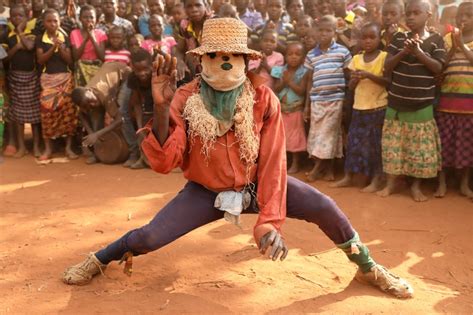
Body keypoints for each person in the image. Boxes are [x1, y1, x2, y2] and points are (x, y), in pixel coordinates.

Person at [62, 17, 413, 300]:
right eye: (214, 55)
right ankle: (99, 259)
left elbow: (274, 164)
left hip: (258, 184)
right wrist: (160, 104)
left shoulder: (262, 98)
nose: (224, 61)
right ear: (201, 60)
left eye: (233, 55)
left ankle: (368, 266)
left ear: (246, 60)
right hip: (205, 191)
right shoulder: (185, 97)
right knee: (148, 238)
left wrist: (269, 223)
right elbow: (164, 161)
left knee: (324, 206)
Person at [378, 0, 446, 202]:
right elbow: (387, 67)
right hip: (397, 104)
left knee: (418, 150)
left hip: (421, 104)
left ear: (429, 14)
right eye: (408, 13)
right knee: (393, 148)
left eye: (417, 13)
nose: (411, 17)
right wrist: (404, 52)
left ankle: (416, 186)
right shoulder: (399, 38)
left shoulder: (436, 40)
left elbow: (437, 68)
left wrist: (418, 52)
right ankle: (391, 184)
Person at [331, 22, 389, 192]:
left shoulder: (384, 57)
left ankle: (376, 179)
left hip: (378, 107)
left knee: (375, 146)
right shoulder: (356, 58)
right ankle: (349, 176)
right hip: (359, 107)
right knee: (354, 144)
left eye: (372, 37)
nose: (368, 41)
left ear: (380, 38)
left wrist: (369, 75)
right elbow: (350, 87)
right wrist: (355, 80)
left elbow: (388, 82)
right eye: (364, 37)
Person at [304, 15, 351, 182]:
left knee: (328, 133)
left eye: (328, 30)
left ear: (335, 32)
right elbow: (310, 80)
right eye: (321, 30)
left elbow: (348, 77)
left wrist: (346, 102)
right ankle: (328, 169)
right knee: (319, 135)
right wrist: (306, 106)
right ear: (316, 32)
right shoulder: (311, 55)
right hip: (317, 100)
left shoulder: (343, 52)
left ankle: (317, 170)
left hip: (336, 99)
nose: (324, 33)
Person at [435, 2, 473, 199]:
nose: (464, 19)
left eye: (469, 16)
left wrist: (463, 46)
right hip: (447, 101)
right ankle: (441, 182)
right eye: (461, 16)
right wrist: (454, 46)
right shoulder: (448, 38)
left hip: (470, 104)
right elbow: (441, 65)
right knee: (445, 144)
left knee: (466, 146)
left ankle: (464, 184)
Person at [36, 9, 78, 160]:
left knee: (68, 114)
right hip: (48, 81)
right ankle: (48, 149)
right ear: (44, 23)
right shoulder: (40, 39)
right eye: (49, 21)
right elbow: (40, 60)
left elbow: (70, 61)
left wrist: (60, 47)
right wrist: (53, 47)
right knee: (47, 114)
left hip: (66, 79)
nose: (53, 24)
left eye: (55, 21)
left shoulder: (65, 38)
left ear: (59, 22)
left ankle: (68, 148)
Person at [70, 61, 131, 164]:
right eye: (87, 105)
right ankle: (97, 153)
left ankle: (133, 152)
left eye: (90, 101)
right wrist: (91, 133)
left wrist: (97, 134)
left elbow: (120, 120)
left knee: (122, 109)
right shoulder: (85, 98)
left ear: (89, 90)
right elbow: (81, 114)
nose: (91, 105)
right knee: (95, 117)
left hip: (126, 77)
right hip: (108, 73)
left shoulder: (104, 93)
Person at [4, 4, 42, 158]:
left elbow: (29, 46)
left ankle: (36, 146)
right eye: (14, 16)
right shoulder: (8, 36)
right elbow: (5, 59)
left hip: (31, 77)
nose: (17, 18)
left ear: (27, 16)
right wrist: (16, 47)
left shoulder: (32, 33)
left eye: (20, 15)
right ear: (10, 18)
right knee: (18, 116)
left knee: (34, 116)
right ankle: (21, 147)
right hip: (15, 77)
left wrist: (20, 31)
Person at [273, 41, 308, 174]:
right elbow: (275, 88)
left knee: (295, 138)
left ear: (303, 57)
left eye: (297, 54)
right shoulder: (279, 70)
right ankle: (283, 162)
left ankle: (296, 163)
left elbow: (301, 91)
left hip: (296, 109)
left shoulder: (304, 72)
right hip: (282, 109)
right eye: (290, 54)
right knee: (282, 137)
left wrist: (289, 82)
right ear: (285, 56)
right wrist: (284, 81)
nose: (293, 57)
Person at [126, 48, 155, 169]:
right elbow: (136, 103)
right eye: (138, 70)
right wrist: (140, 127)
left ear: (152, 66)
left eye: (145, 69)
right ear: (133, 68)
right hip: (148, 106)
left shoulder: (158, 74)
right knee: (142, 131)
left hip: (164, 105)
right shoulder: (133, 78)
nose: (142, 73)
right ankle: (142, 158)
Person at [70, 5, 107, 87]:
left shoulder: (100, 33)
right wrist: (86, 38)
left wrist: (92, 37)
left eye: (91, 17)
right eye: (85, 17)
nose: (89, 20)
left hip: (97, 69)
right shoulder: (74, 33)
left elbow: (102, 56)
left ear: (96, 19)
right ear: (80, 19)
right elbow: (76, 57)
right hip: (81, 69)